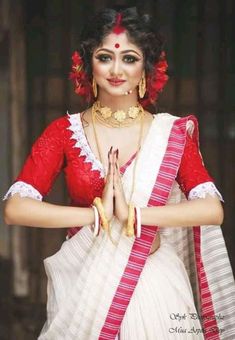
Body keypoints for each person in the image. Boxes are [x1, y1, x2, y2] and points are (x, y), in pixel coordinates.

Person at [3, 6, 235, 340]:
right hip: (85, 284)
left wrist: (133, 214)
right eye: (104, 57)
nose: (116, 69)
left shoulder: (167, 133)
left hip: (154, 282)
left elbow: (212, 210)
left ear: (146, 69)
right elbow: (15, 209)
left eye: (129, 58)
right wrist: (95, 216)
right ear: (87, 65)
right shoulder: (64, 132)